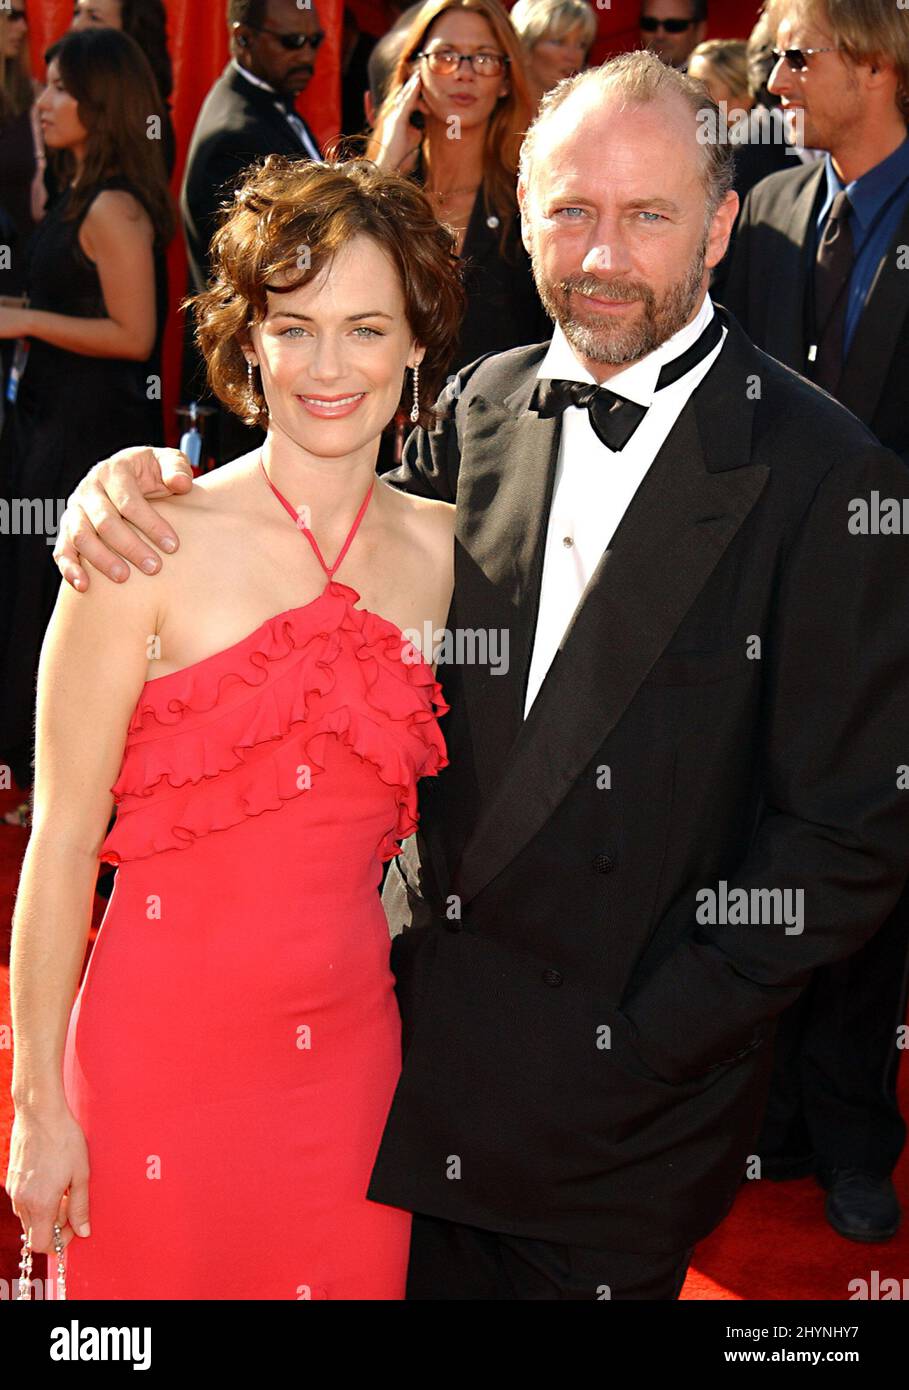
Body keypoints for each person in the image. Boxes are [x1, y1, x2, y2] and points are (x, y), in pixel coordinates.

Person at [50, 51, 909, 1300]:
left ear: (722, 226)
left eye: (649, 214)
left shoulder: (829, 476)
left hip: (620, 1123)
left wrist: (651, 1036)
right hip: (409, 1075)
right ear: (523, 205)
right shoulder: (483, 410)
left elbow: (848, 838)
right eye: (571, 209)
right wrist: (121, 479)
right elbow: (329, 515)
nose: (604, 252)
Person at [4, 154, 462, 1298]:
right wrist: (37, 1108)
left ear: (416, 345)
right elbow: (58, 845)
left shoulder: (461, 558)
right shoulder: (141, 541)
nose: (327, 366)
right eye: (294, 325)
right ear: (248, 337)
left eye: (366, 328)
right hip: (152, 1065)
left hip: (353, 1078)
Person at [719, 0, 909, 1243]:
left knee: (870, 869)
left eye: (798, 56)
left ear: (877, 65)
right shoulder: (775, 209)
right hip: (771, 607)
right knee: (755, 846)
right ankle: (765, 1115)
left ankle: (851, 1133)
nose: (774, 77)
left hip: (896, 613)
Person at [0, 27, 172, 806]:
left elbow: (135, 335)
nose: (44, 102)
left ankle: (53, 783)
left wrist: (26, 322)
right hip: (47, 418)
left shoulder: (113, 207)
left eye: (62, 89)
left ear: (101, 104)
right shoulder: (75, 190)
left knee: (56, 598)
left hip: (86, 432)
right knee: (26, 591)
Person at [366, 0, 549, 376]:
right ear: (415, 70)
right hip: (382, 428)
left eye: (483, 59)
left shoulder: (532, 203)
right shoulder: (381, 195)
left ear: (504, 82)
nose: (464, 73)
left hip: (497, 428)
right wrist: (383, 165)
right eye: (446, 56)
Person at [180, 0, 325, 464]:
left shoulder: (269, 106)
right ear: (242, 39)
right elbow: (290, 265)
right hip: (257, 394)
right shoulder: (237, 133)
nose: (307, 56)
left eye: (315, 41)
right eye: (291, 42)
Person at [71, 0, 176, 177]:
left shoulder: (152, 119)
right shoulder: (64, 100)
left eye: (94, 17)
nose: (76, 26)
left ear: (130, 34)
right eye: (77, 13)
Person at [508, 0, 595, 111]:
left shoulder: (587, 111)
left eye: (581, 45)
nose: (573, 56)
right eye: (558, 42)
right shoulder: (489, 112)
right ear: (524, 46)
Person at [639, 0, 706, 71]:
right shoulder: (629, 77)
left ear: (699, 30)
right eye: (649, 24)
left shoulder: (712, 80)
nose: (660, 35)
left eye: (674, 25)